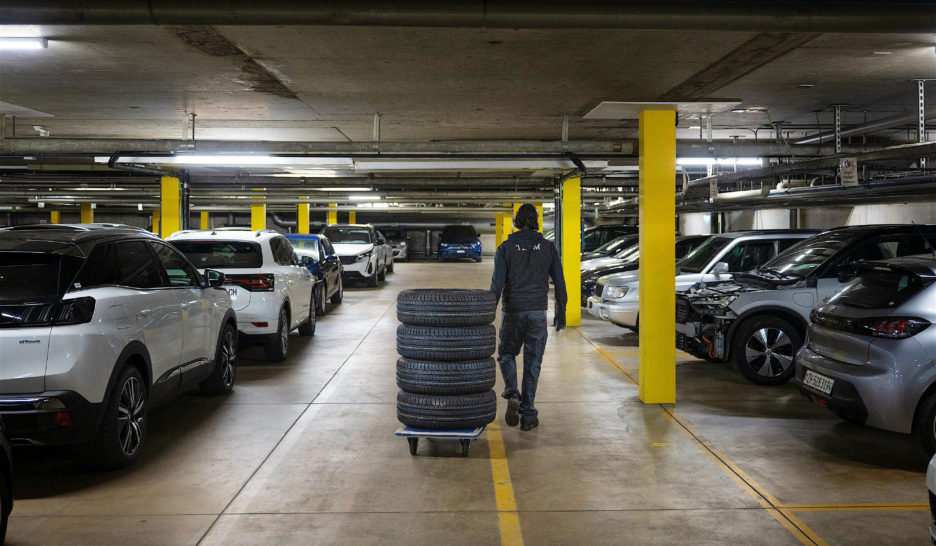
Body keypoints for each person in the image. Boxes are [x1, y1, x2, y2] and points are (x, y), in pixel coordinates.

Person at [489, 204, 567, 431]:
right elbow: (560, 283)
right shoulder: (548, 247)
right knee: (533, 363)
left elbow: (497, 284)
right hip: (537, 314)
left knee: (506, 355)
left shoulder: (506, 248)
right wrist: (561, 311)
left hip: (513, 312)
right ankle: (529, 414)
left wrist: (486, 314)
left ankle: (512, 392)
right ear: (536, 221)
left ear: (515, 221)